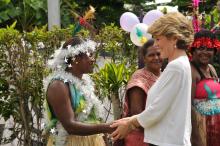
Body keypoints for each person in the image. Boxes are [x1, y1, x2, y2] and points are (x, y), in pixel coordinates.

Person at [110, 12, 194, 146]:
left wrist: (130, 123)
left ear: (174, 38)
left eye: (158, 39)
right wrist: (130, 120)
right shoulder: (180, 64)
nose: (156, 44)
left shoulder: (176, 67)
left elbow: (157, 110)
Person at [43, 36, 113, 146]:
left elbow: (94, 119)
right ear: (76, 58)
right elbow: (70, 126)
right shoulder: (58, 86)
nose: (93, 59)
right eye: (89, 55)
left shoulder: (85, 83)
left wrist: (105, 138)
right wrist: (107, 127)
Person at [121, 39, 162, 146]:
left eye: (159, 54)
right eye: (151, 55)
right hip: (141, 139)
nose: (156, 58)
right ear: (144, 58)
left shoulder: (165, 76)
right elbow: (137, 115)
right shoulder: (139, 80)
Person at [190, 30, 220, 146]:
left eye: (209, 49)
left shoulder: (211, 68)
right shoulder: (192, 71)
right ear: (193, 49)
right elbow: (189, 105)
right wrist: (196, 136)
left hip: (216, 127)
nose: (205, 52)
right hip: (202, 130)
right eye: (200, 48)